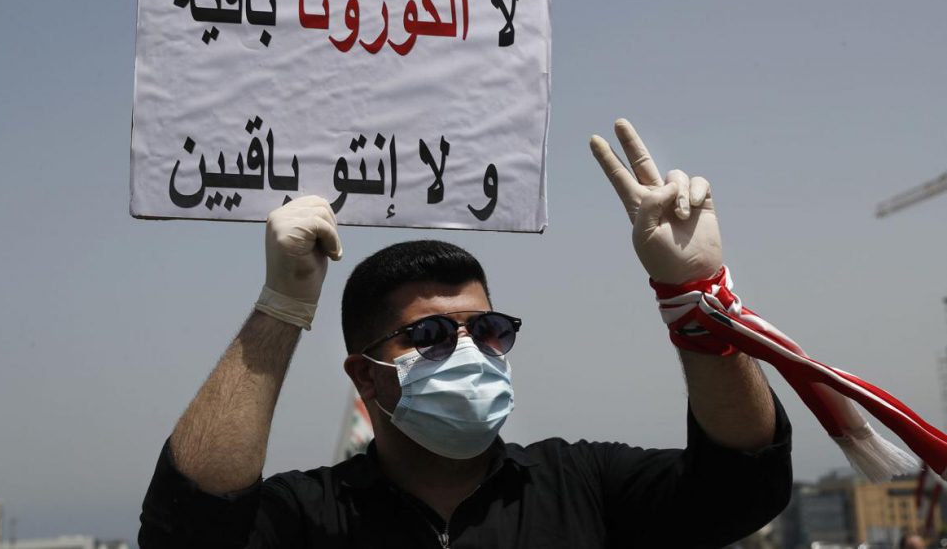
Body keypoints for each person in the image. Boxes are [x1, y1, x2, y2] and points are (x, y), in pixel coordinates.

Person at [139, 120, 793, 548]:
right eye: (426, 333)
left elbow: (742, 489)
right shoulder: (311, 515)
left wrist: (695, 297)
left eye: (487, 328)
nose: (467, 350)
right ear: (366, 375)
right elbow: (186, 532)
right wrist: (281, 306)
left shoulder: (583, 483)